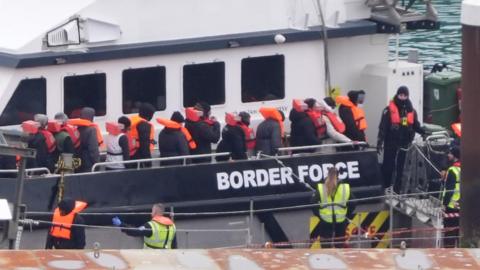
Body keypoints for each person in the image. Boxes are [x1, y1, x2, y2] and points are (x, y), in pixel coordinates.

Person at [377, 86, 425, 191]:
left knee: (401, 168)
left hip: (404, 144)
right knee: (388, 166)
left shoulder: (411, 110)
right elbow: (383, 127)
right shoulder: (388, 110)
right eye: (400, 95)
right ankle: (385, 187)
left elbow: (415, 125)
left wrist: (424, 132)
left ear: (407, 96)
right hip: (391, 142)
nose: (402, 97)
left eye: (404, 95)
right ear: (397, 95)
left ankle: (397, 190)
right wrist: (380, 142)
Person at [311, 167, 355, 248]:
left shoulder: (321, 188)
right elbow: (353, 203)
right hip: (341, 220)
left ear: (327, 175)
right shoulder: (345, 188)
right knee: (339, 245)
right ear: (338, 175)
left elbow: (313, 204)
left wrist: (319, 215)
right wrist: (346, 214)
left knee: (325, 246)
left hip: (325, 221)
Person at [70, 107, 100, 172]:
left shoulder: (77, 128)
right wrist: (97, 163)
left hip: (78, 160)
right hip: (88, 162)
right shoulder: (91, 130)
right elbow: (93, 149)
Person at [442, 146, 460, 247]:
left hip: (451, 206)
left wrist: (444, 204)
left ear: (455, 156)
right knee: (459, 233)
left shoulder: (453, 170)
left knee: (449, 233)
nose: (448, 155)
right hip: (462, 205)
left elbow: (449, 190)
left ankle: (449, 254)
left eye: (450, 153)